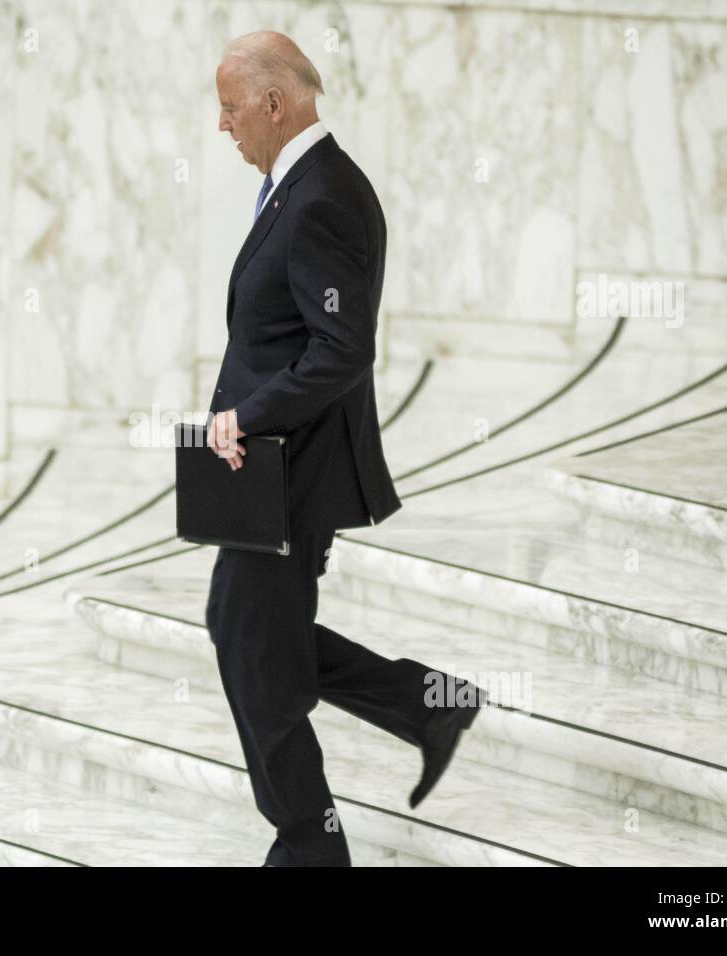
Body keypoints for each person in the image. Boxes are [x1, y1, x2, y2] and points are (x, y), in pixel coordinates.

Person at [204, 30, 487, 867]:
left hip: (294, 470)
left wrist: (248, 415)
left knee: (255, 645)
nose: (222, 126)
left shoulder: (324, 193)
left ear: (272, 103)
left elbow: (341, 350)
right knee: (249, 630)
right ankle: (428, 704)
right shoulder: (298, 188)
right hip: (274, 469)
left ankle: (309, 842)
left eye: (228, 108)